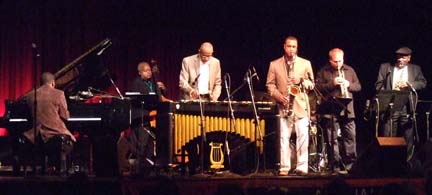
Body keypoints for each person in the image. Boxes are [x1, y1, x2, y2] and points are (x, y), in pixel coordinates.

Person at [266, 36, 314, 175]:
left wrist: (301, 80)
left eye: (294, 47)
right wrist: (278, 96)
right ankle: (284, 167)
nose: (291, 49)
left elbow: (311, 85)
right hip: (283, 105)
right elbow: (269, 85)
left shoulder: (306, 63)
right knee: (283, 138)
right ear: (284, 46)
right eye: (289, 46)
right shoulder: (274, 64)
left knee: (303, 137)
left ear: (297, 48)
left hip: (300, 105)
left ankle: (302, 167)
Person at [375, 47, 426, 160]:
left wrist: (409, 84)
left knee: (408, 136)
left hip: (407, 107)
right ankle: (387, 161)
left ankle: (407, 162)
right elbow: (378, 85)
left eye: (403, 57)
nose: (400, 59)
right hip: (391, 105)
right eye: (398, 57)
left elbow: (422, 83)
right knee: (388, 135)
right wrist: (387, 94)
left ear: (409, 58)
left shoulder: (415, 69)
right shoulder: (386, 67)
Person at [315, 48, 361, 174]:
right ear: (330, 60)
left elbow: (358, 86)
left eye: (340, 61)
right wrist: (332, 83)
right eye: (335, 61)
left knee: (350, 137)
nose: (338, 64)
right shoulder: (323, 71)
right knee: (331, 139)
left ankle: (350, 166)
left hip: (348, 109)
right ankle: (334, 166)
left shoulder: (350, 70)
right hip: (331, 109)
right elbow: (317, 88)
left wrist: (348, 85)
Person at [118, 61, 168, 176]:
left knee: (149, 145)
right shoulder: (136, 83)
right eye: (146, 71)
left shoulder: (154, 82)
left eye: (150, 70)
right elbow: (135, 100)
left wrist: (162, 89)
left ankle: (148, 168)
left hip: (151, 116)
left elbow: (161, 98)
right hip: (141, 116)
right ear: (140, 73)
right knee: (142, 144)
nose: (149, 72)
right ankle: (138, 169)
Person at [22, 72, 76, 174]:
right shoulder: (59, 94)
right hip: (55, 132)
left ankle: (43, 168)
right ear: (53, 83)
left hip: (36, 134)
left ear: (41, 83)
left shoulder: (29, 96)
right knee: (70, 142)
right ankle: (63, 169)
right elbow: (65, 116)